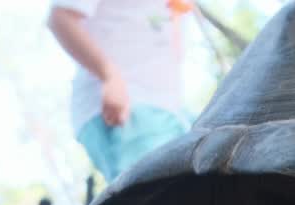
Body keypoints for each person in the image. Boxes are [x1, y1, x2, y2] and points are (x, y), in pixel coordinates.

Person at [47, 0, 192, 182]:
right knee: (158, 198)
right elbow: (59, 18)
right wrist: (110, 75)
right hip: (128, 107)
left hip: (169, 108)